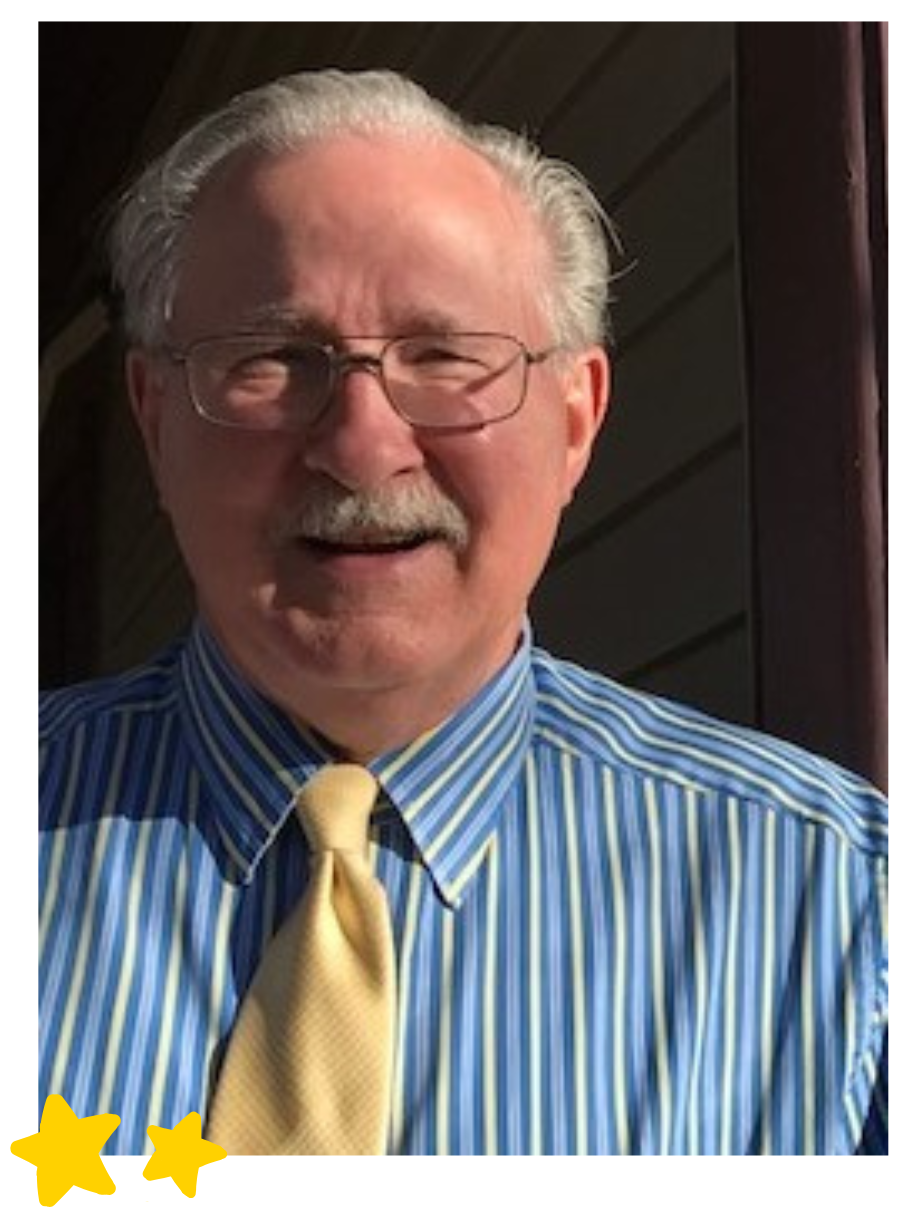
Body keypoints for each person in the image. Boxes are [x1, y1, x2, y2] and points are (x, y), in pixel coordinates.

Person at [40, 68, 887, 1156]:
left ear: (574, 419)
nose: (360, 442)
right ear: (156, 421)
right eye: (271, 359)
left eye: (442, 356)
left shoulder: (840, 915)